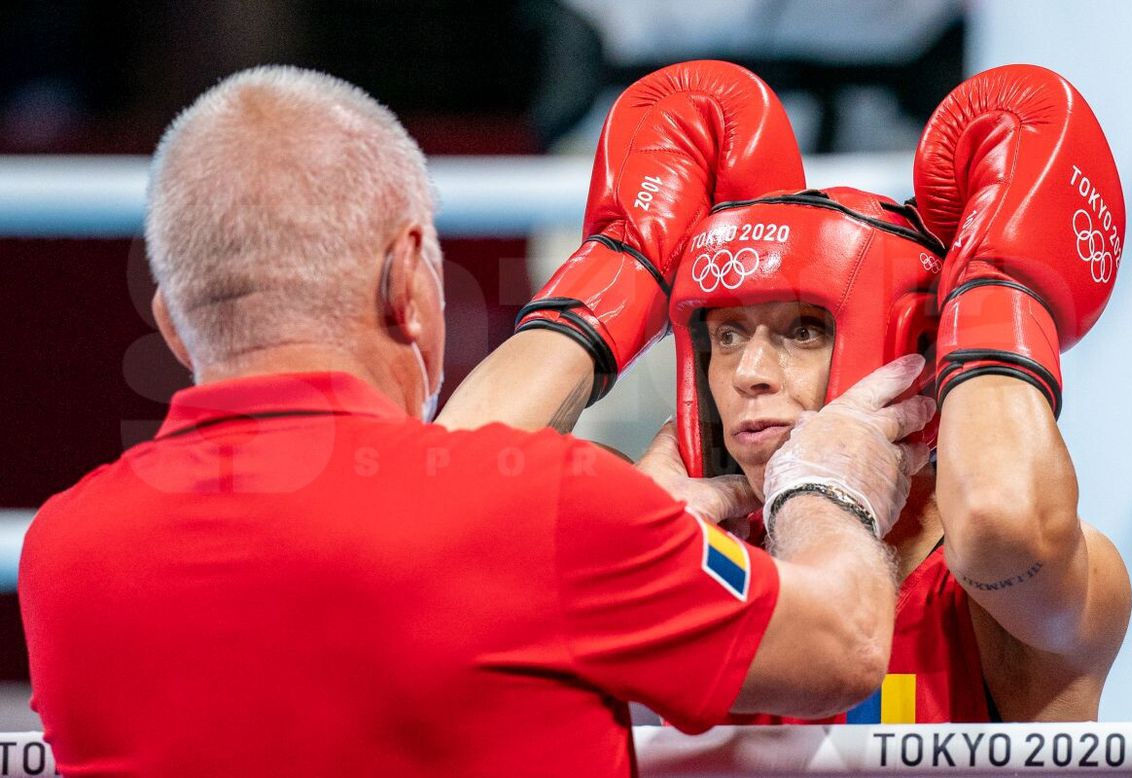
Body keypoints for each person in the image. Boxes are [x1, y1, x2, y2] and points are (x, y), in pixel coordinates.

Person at [18, 63, 933, 777]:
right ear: (408, 279)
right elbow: (847, 642)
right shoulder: (547, 514)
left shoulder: (62, 556)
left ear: (174, 324)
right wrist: (828, 476)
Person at [450, 64, 1132, 724]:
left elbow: (1002, 524)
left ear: (915, 355)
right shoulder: (680, 546)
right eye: (725, 336)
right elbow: (449, 503)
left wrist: (995, 294)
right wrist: (620, 269)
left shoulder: (1003, 601)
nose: (749, 373)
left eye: (803, 330)